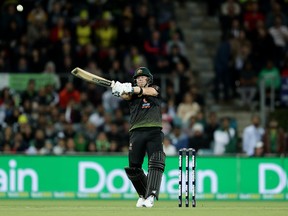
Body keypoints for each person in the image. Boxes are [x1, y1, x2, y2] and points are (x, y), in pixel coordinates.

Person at [111, 67, 165, 208]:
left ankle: (151, 195)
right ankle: (143, 195)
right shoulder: (132, 95)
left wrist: (130, 88)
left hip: (154, 131)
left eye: (143, 77)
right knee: (133, 167)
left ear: (148, 79)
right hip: (136, 132)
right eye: (138, 78)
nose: (140, 79)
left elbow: (150, 92)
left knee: (156, 161)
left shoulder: (154, 88)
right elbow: (126, 95)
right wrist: (117, 89)